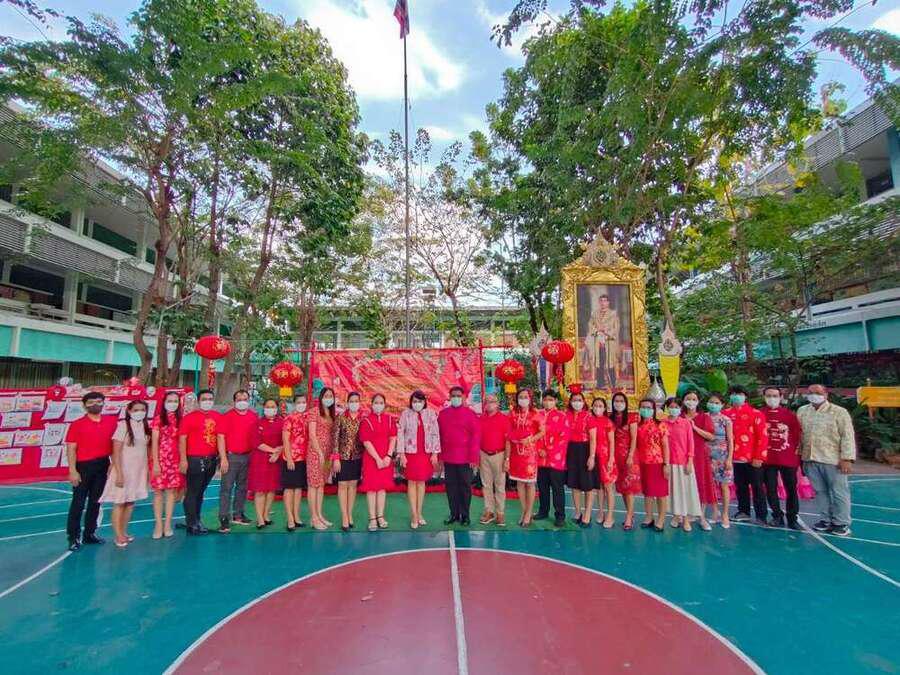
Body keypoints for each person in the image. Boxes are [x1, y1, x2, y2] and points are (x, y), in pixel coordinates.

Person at [797, 384, 856, 536]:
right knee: (819, 492)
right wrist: (799, 456)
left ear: (826, 394)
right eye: (810, 392)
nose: (814, 395)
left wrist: (847, 458)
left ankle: (841, 522)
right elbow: (800, 435)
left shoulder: (839, 412)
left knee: (839, 492)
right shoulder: (803, 411)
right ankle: (825, 519)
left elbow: (847, 436)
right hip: (810, 458)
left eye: (817, 392)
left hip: (833, 460)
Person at [64, 392, 118, 551]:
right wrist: (73, 470)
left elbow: (115, 445)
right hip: (83, 466)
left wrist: (113, 463)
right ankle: (73, 537)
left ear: (103, 403)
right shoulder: (77, 424)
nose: (95, 404)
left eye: (99, 401)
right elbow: (71, 449)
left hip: (102, 465)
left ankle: (90, 533)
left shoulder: (111, 422)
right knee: (78, 503)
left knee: (96, 502)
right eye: (91, 402)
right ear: (84, 405)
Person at [100, 400, 150, 547]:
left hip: (138, 471)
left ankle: (124, 531)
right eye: (136, 410)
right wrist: (119, 473)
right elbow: (116, 452)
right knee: (120, 502)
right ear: (129, 411)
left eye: (143, 410)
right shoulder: (123, 426)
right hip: (124, 470)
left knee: (130, 502)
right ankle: (118, 535)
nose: (139, 412)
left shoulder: (145, 427)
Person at [177, 389, 226, 535]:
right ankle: (191, 523)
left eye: (210, 399)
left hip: (211, 459)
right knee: (193, 491)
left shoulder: (218, 417)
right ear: (198, 401)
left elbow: (220, 437)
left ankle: (197, 519)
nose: (207, 401)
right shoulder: (189, 418)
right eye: (204, 399)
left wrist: (223, 457)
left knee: (201, 491)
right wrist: (183, 459)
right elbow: (182, 439)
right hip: (194, 459)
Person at [723, 385, 768, 526]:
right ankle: (743, 512)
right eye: (734, 393)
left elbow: (762, 437)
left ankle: (761, 515)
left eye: (740, 394)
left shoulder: (756, 413)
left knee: (757, 487)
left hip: (752, 458)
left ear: (745, 397)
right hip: (732, 458)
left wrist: (759, 456)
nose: (736, 396)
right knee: (740, 486)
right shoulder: (725, 414)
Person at [216, 389, 258, 532]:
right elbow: (220, 437)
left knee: (243, 487)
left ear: (249, 400)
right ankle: (224, 518)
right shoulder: (226, 416)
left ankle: (238, 514)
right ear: (234, 401)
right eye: (239, 400)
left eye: (245, 399)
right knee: (226, 489)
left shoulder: (253, 416)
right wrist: (223, 458)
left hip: (248, 456)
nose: (242, 402)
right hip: (231, 457)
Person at [437, 386, 480, 526]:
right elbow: (439, 437)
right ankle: (454, 514)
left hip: (465, 458)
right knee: (451, 487)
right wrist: (440, 457)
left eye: (458, 396)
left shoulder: (470, 414)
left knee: (465, 487)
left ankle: (465, 515)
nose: (456, 398)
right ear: (449, 397)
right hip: (448, 457)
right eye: (453, 395)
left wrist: (473, 457)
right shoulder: (443, 414)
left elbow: (475, 436)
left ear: (463, 397)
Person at [397, 390, 440, 529]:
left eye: (420, 401)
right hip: (410, 454)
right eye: (414, 401)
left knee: (421, 483)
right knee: (412, 483)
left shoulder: (431, 414)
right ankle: (414, 514)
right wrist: (401, 454)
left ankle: (420, 513)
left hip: (425, 454)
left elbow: (435, 433)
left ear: (424, 402)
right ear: (411, 402)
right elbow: (400, 434)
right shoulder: (405, 414)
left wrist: (434, 453)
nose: (417, 404)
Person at [762, 386, 802, 530]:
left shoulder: (789, 415)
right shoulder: (759, 414)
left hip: (788, 459)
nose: (771, 398)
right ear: (764, 397)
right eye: (768, 396)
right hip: (767, 459)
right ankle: (777, 516)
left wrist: (795, 454)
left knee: (791, 489)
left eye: (775, 396)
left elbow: (797, 436)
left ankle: (792, 518)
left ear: (780, 397)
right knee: (770, 489)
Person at [662, 397, 702, 532]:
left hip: (683, 463)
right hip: (669, 463)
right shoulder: (663, 424)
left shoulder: (686, 423)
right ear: (667, 408)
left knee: (685, 491)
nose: (673, 409)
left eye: (676, 407)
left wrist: (690, 461)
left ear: (680, 408)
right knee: (673, 492)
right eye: (671, 407)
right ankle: (676, 516)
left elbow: (691, 443)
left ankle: (685, 519)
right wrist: (665, 463)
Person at [359, 393, 397, 531]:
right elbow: (366, 441)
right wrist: (377, 459)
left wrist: (388, 456)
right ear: (372, 404)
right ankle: (372, 519)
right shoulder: (366, 421)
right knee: (371, 489)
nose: (378, 405)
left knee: (381, 488)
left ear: (385, 405)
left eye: (381, 403)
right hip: (371, 460)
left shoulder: (390, 419)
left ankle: (380, 516)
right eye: (376, 402)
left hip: (386, 459)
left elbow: (393, 438)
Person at [506, 388, 544, 528]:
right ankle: (524, 511)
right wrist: (507, 457)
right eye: (520, 397)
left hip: (530, 454)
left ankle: (529, 513)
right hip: (516, 452)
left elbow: (542, 432)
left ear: (530, 398)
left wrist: (530, 440)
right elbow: (508, 431)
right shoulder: (512, 413)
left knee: (530, 483)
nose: (523, 399)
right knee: (520, 483)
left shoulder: (536, 413)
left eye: (525, 397)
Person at [150, 391, 186, 539]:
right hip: (160, 460)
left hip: (175, 460)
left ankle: (167, 524)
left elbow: (183, 441)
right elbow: (154, 442)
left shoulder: (181, 420)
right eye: (169, 401)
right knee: (158, 493)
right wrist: (156, 463)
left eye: (175, 401)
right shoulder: (158, 419)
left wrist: (183, 460)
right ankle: (158, 524)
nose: (172, 404)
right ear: (164, 403)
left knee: (171, 493)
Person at [535, 390, 569, 528]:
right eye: (545, 399)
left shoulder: (562, 416)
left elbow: (564, 437)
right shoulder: (538, 415)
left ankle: (560, 515)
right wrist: (539, 449)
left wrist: (548, 450)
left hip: (556, 459)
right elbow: (534, 433)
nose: (547, 402)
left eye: (550, 399)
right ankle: (543, 511)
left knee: (557, 488)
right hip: (540, 459)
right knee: (542, 487)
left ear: (555, 401)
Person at [682, 390, 715, 530]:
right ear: (683, 400)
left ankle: (701, 516)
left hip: (700, 455)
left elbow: (711, 436)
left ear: (698, 401)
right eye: (688, 398)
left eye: (694, 399)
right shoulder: (679, 416)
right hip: (682, 455)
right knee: (684, 485)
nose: (691, 401)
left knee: (701, 483)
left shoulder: (704, 417)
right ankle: (685, 515)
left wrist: (694, 427)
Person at [248, 398, 283, 529]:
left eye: (273, 406)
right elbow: (256, 442)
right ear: (263, 408)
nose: (270, 409)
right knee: (260, 490)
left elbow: (286, 440)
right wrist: (273, 450)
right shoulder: (257, 423)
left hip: (275, 460)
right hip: (260, 460)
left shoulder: (282, 422)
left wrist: (277, 452)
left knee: (271, 489)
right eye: (268, 406)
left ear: (277, 408)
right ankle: (260, 519)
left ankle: (266, 515)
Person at [636, 398, 670, 532]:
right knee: (647, 492)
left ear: (654, 410)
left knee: (661, 493)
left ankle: (661, 519)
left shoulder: (660, 425)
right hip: (642, 463)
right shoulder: (637, 426)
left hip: (658, 463)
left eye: (649, 407)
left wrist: (666, 464)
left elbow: (665, 446)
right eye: (643, 407)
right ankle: (649, 517)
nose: (646, 410)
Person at [333, 391, 365, 532]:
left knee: (352, 486)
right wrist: (336, 458)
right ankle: (344, 516)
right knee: (342, 485)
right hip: (342, 457)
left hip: (357, 457)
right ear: (347, 403)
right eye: (351, 401)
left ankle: (349, 513)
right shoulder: (340, 418)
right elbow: (335, 440)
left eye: (356, 401)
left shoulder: (363, 419)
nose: (354, 403)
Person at [307, 388, 337, 530]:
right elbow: (312, 435)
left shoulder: (332, 414)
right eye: (326, 395)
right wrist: (319, 453)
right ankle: (313, 518)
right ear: (321, 397)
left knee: (321, 484)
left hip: (327, 454)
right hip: (315, 453)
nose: (328, 398)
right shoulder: (314, 412)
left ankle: (319, 515)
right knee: (314, 484)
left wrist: (329, 455)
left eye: (331, 396)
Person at [610, 392, 641, 530]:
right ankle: (630, 513)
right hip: (616, 456)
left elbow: (634, 438)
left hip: (629, 456)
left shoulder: (631, 417)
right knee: (622, 488)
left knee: (629, 488)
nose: (619, 403)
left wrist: (630, 455)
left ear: (626, 403)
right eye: (616, 401)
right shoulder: (611, 418)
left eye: (621, 401)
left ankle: (629, 517)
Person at [479, 393, 510, 526]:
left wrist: (507, 459)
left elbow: (508, 441)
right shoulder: (481, 419)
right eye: (487, 401)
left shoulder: (504, 419)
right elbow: (477, 438)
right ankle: (489, 511)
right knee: (486, 485)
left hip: (499, 455)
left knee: (500, 485)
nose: (489, 404)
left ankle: (500, 513)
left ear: (497, 404)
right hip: (483, 454)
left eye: (492, 401)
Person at [565, 390, 595, 527]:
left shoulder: (588, 416)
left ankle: (587, 514)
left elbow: (593, 439)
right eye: (574, 400)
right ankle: (578, 512)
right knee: (574, 483)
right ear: (570, 402)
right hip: (571, 450)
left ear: (583, 402)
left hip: (585, 450)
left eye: (579, 400)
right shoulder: (566, 415)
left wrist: (592, 457)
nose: (577, 403)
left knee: (588, 485)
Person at [282, 392, 310, 530]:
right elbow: (285, 440)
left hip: (303, 458)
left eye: (304, 402)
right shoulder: (289, 418)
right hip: (291, 458)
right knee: (289, 488)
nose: (301, 405)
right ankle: (290, 518)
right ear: (294, 404)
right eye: (299, 402)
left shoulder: (307, 418)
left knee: (298, 489)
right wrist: (289, 458)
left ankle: (296, 516)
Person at [589, 396, 616, 528]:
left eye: (600, 406)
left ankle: (610, 515)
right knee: (598, 487)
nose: (597, 408)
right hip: (595, 457)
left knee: (608, 487)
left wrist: (611, 459)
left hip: (606, 457)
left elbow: (612, 442)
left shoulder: (608, 422)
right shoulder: (590, 420)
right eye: (595, 405)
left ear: (605, 408)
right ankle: (600, 512)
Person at [584, 293, 620, 388]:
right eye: (601, 301)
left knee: (610, 363)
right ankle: (600, 384)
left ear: (608, 302)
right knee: (599, 363)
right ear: (599, 302)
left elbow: (616, 328)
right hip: (598, 342)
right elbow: (590, 325)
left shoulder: (613, 314)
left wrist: (606, 331)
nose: (603, 303)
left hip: (609, 342)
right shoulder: (594, 313)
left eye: (605, 301)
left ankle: (612, 384)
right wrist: (597, 330)